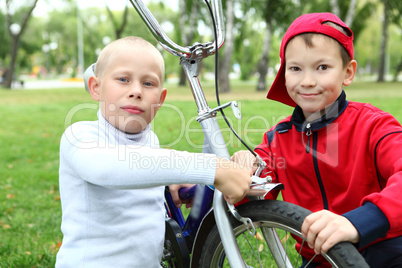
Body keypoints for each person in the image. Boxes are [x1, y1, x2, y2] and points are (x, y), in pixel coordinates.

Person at [56, 36, 251, 268]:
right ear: (96, 88)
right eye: (123, 79)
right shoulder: (80, 136)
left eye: (148, 84)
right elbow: (110, 168)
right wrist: (212, 167)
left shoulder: (151, 141)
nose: (136, 91)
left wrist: (168, 182)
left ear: (160, 98)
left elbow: (143, 167)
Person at [232, 13, 402, 267]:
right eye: (295, 68)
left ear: (348, 72)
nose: (308, 81)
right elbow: (248, 197)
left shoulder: (374, 126)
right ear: (284, 73)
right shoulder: (277, 140)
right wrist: (237, 172)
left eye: (322, 67)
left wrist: (359, 221)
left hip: (384, 252)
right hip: (317, 260)